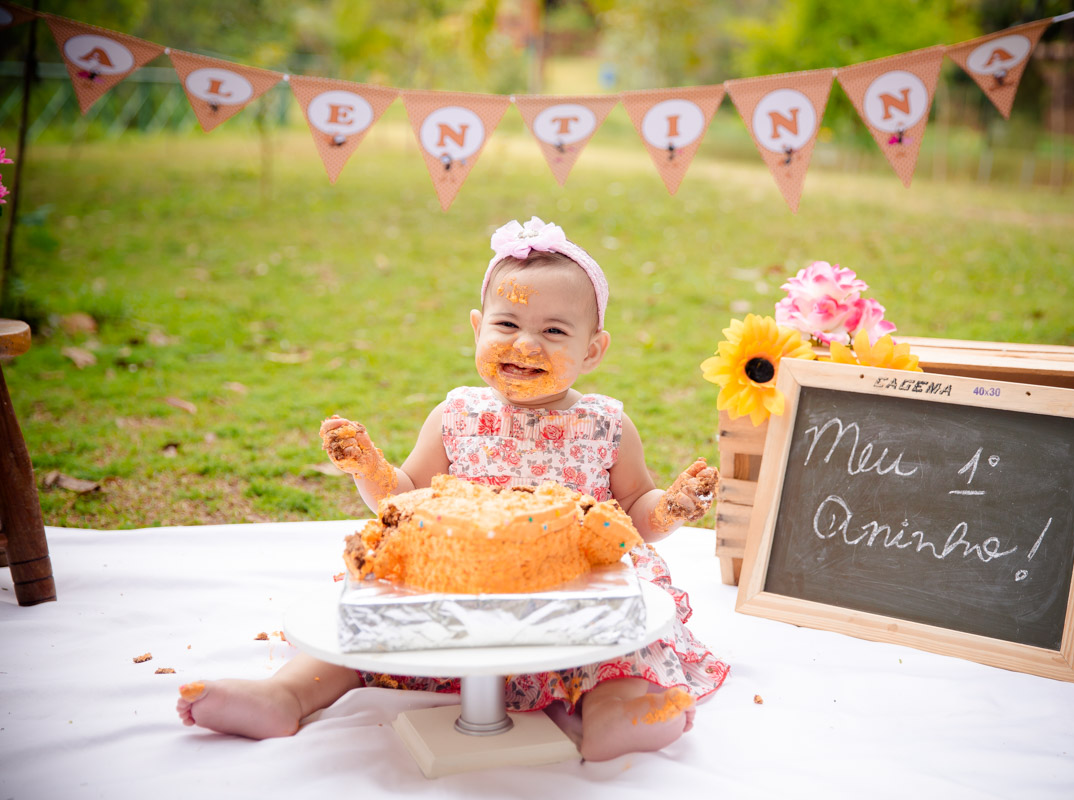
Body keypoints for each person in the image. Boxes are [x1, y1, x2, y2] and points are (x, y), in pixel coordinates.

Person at [177, 217, 728, 762]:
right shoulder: (457, 414)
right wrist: (369, 467)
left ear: (593, 350)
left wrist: (673, 507)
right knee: (367, 625)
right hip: (456, 574)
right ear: (476, 328)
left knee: (617, 642)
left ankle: (611, 714)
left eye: (554, 331)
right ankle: (285, 695)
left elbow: (636, 511)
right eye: (506, 324)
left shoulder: (606, 425)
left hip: (569, 582)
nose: (526, 344)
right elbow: (405, 495)